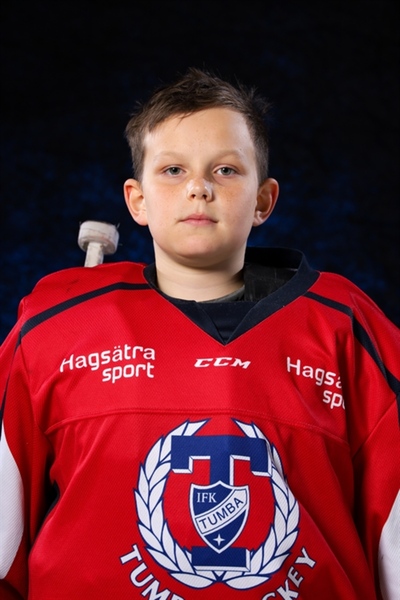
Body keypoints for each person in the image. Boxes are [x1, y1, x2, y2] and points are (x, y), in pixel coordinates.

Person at [0, 68, 399, 600]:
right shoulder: (53, 326)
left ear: (264, 199)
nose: (198, 188)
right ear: (137, 200)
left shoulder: (349, 329)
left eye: (226, 170)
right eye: (173, 170)